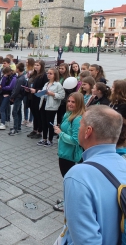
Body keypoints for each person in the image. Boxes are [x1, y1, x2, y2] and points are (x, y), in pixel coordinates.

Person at [61, 105, 125, 245]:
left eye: (81, 123)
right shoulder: (123, 164)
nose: (79, 127)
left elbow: (86, 241)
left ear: (88, 131)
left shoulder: (78, 176)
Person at [52, 92, 85, 212]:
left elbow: (76, 140)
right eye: (69, 101)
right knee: (67, 179)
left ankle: (69, 204)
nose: (70, 104)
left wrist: (60, 133)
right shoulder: (69, 114)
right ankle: (68, 200)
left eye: (73, 102)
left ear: (79, 103)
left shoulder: (77, 119)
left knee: (69, 180)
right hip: (64, 152)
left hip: (69, 155)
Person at [37, 68, 65, 147]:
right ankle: (44, 138)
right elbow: (43, 94)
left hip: (51, 106)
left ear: (55, 75)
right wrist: (40, 93)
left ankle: (50, 140)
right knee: (44, 122)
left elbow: (62, 96)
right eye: (48, 73)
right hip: (43, 104)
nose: (48, 75)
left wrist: (52, 94)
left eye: (50, 73)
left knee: (50, 123)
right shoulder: (46, 84)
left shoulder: (58, 85)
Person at [26, 60, 48, 140]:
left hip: (39, 97)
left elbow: (45, 88)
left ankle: (39, 131)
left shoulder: (44, 75)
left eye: (38, 65)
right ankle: (34, 130)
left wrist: (35, 90)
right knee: (34, 114)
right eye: (35, 65)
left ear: (41, 66)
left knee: (39, 115)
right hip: (32, 97)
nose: (36, 66)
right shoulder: (34, 74)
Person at [9, 63, 27, 135]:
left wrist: (12, 97)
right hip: (19, 97)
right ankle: (18, 127)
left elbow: (17, 89)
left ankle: (15, 128)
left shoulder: (20, 79)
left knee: (15, 112)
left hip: (18, 97)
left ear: (18, 69)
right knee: (18, 112)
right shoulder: (20, 77)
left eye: (16, 68)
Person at [23, 58, 35, 127]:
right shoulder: (26, 70)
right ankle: (26, 119)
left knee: (31, 106)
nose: (26, 63)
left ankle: (31, 120)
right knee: (25, 105)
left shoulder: (33, 71)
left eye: (27, 62)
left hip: (31, 90)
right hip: (25, 90)